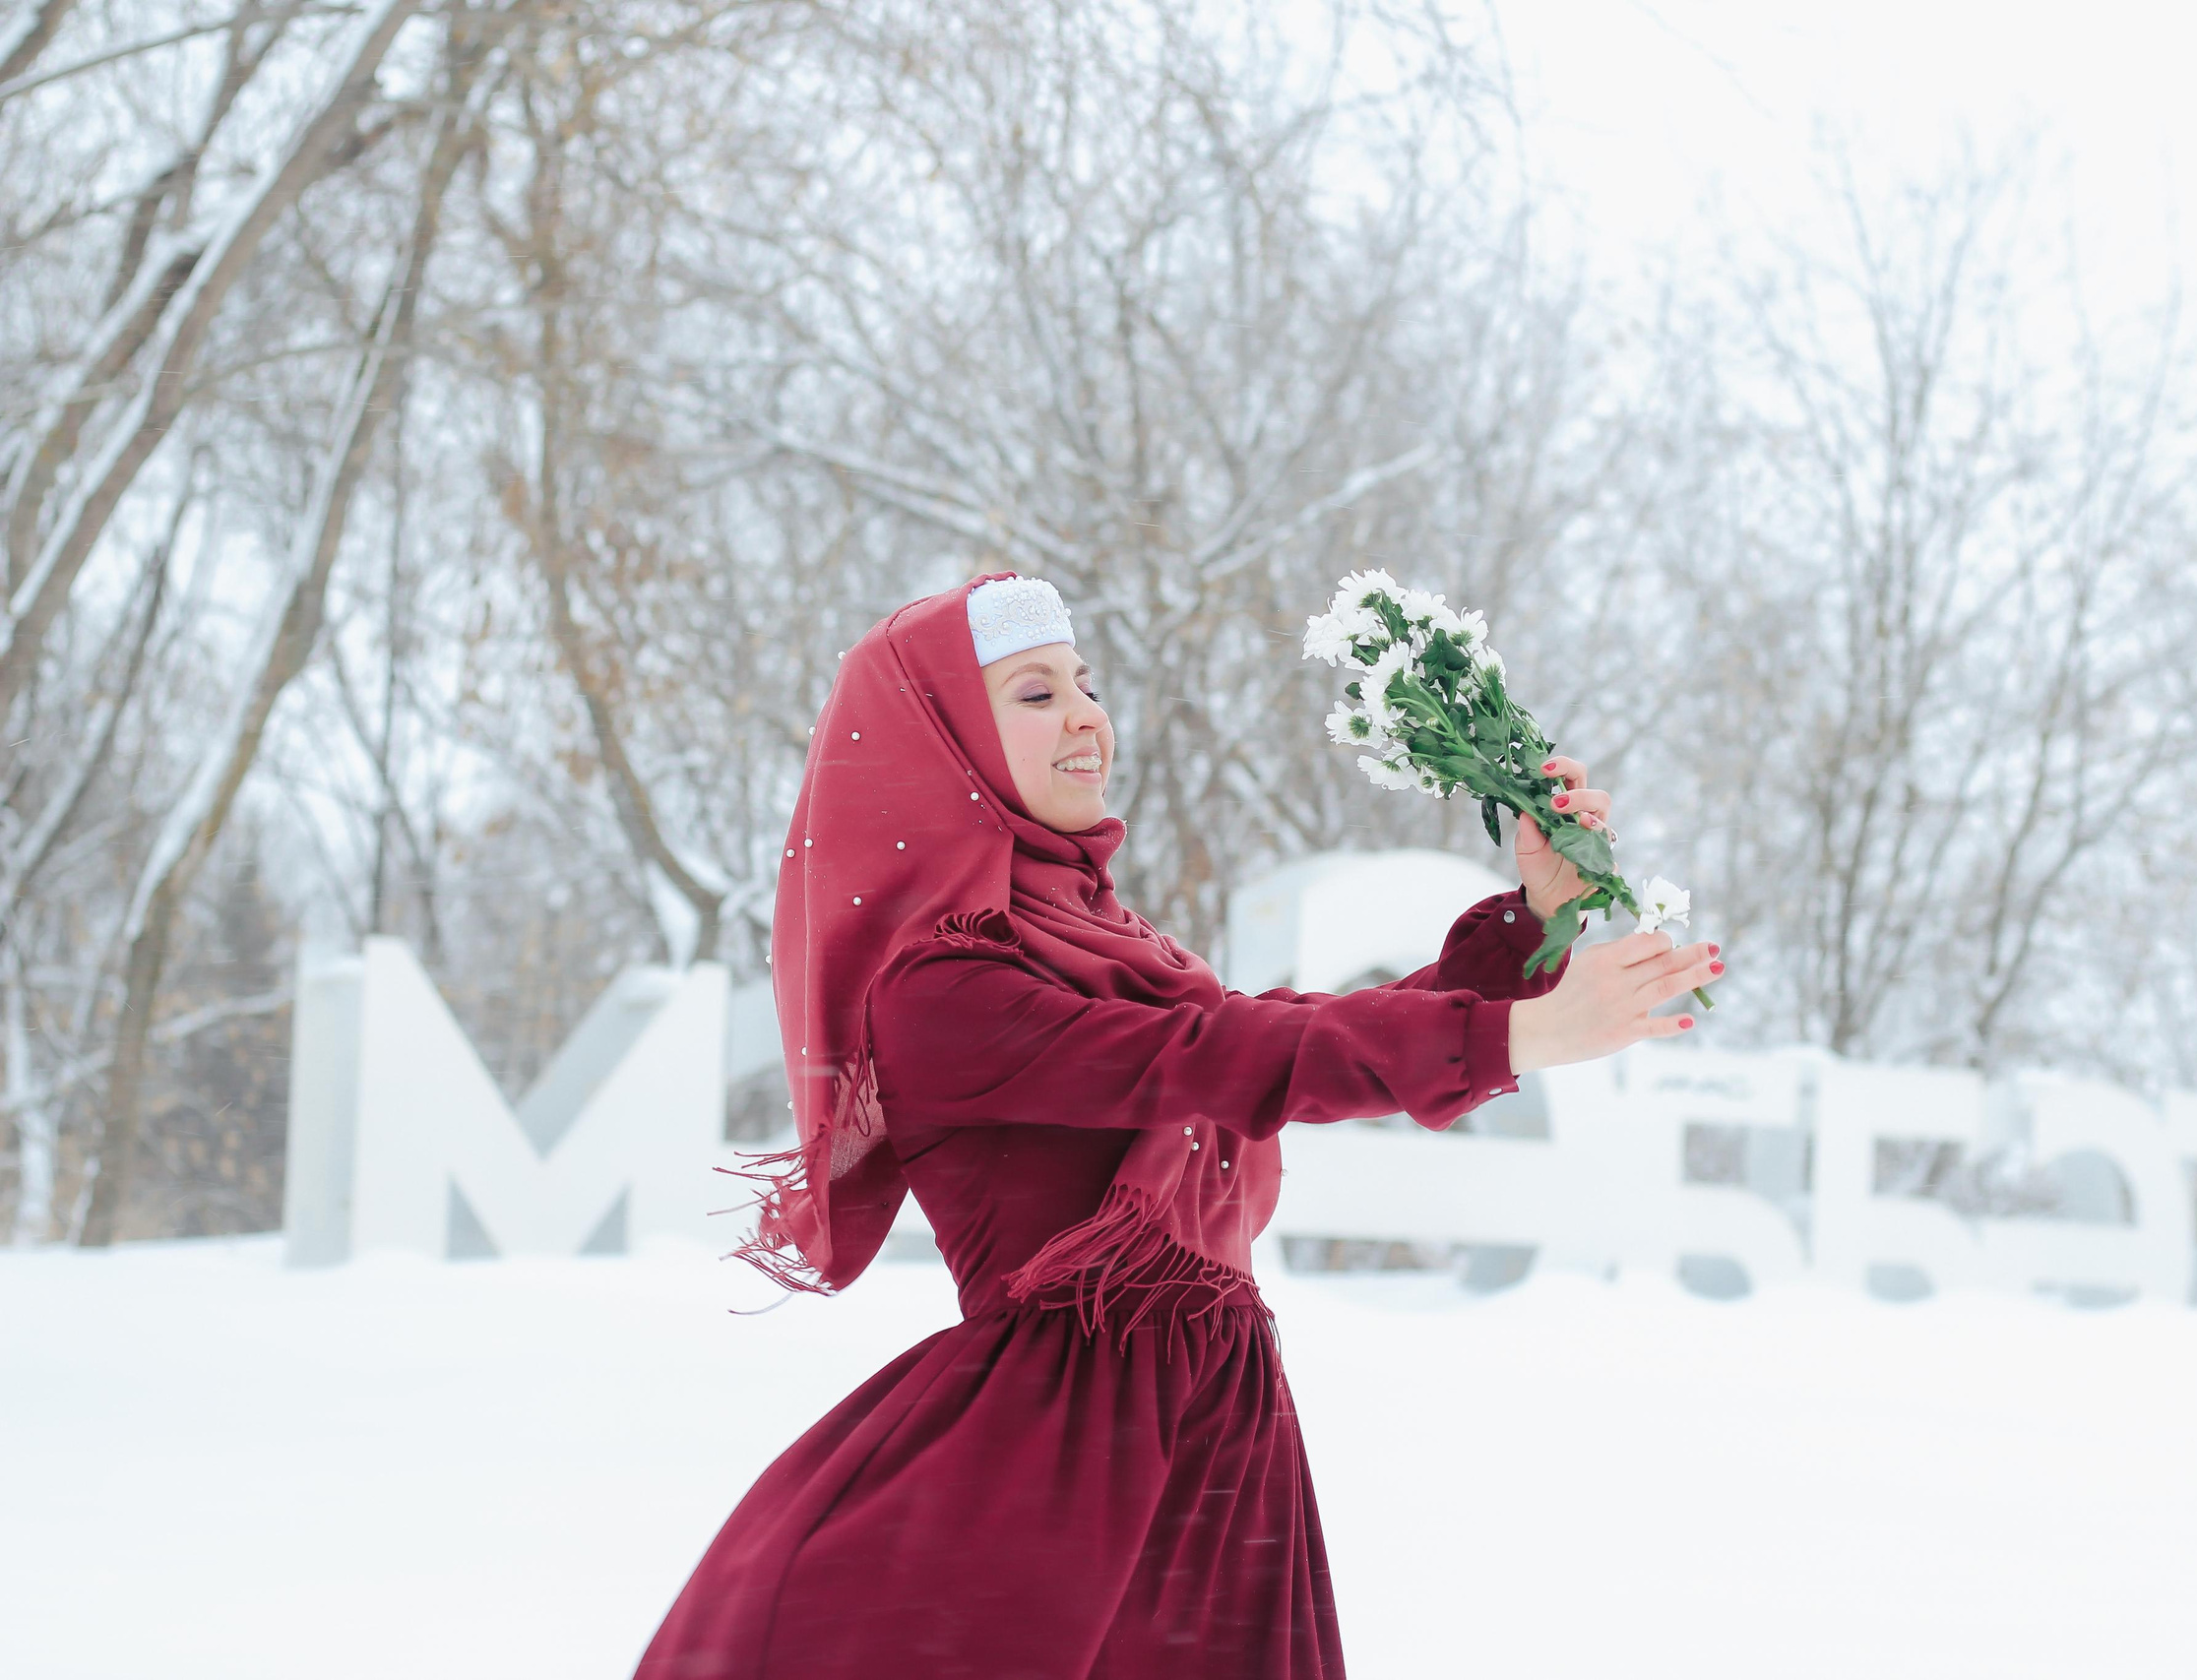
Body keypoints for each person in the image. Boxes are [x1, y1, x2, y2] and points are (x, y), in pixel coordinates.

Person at [634, 572, 1722, 1680]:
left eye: (1084, 683)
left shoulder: (1107, 938)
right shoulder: (939, 988)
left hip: (1208, 1431)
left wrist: (1528, 926)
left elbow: (1272, 1038)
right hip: (1057, 1458)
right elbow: (1215, 1064)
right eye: (1032, 693)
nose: (1084, 716)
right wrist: (1511, 1040)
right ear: (945, 740)